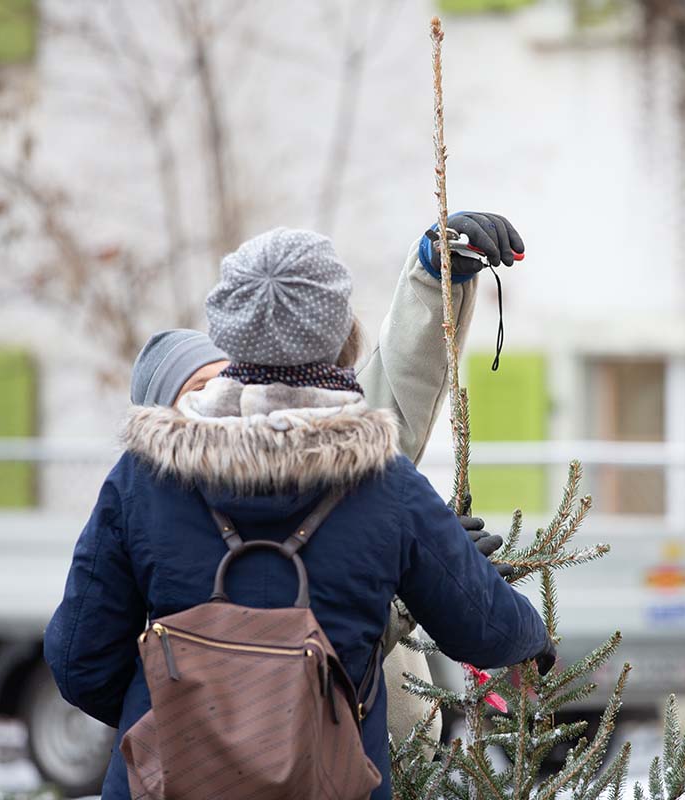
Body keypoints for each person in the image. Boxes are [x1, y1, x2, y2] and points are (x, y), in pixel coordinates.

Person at [45, 223, 552, 800]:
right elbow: (486, 631)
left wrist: (177, 713)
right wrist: (533, 640)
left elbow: (79, 658)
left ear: (227, 332)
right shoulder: (385, 484)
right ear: (341, 332)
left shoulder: (143, 476)